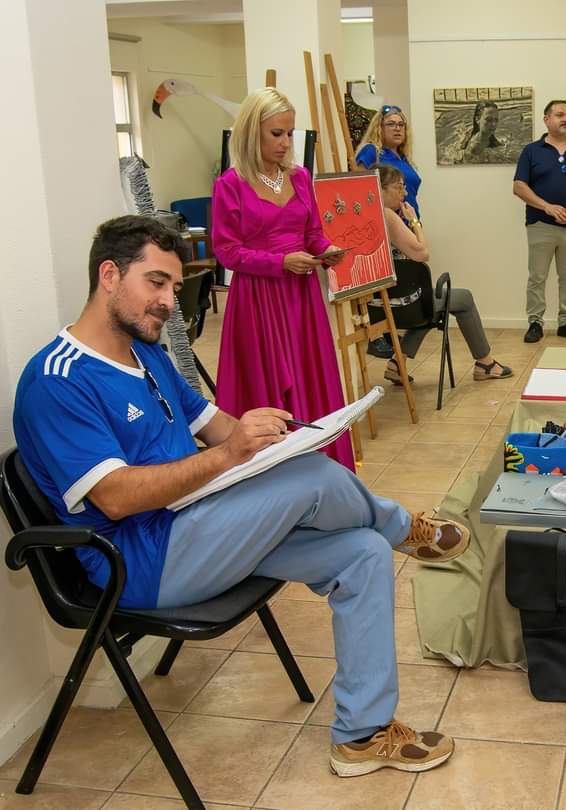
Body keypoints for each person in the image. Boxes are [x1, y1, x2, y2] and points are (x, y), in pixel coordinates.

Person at [13, 215, 475, 778]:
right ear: (109, 275)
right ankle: (404, 528)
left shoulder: (145, 353)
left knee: (363, 552)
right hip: (141, 562)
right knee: (315, 479)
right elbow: (115, 498)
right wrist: (230, 456)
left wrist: (275, 441)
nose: (169, 302)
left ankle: (361, 735)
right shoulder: (58, 379)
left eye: (174, 287)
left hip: (199, 526)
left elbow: (215, 427)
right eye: (156, 283)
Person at [211, 88, 353, 469]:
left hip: (302, 299)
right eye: (276, 133)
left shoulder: (300, 178)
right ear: (251, 132)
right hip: (258, 300)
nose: (286, 142)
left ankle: (320, 465)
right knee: (268, 386)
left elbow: (312, 233)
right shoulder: (230, 185)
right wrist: (280, 262)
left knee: (310, 375)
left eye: (289, 133)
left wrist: (326, 250)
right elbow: (227, 251)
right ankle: (272, 472)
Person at [375, 164, 513, 384]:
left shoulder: (365, 216)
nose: (405, 193)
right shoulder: (387, 216)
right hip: (399, 305)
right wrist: (414, 220)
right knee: (462, 298)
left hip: (375, 306)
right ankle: (485, 364)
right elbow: (422, 253)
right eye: (399, 187)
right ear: (380, 188)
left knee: (429, 303)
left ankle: (397, 363)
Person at [513, 99, 566, 343]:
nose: (565, 119)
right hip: (540, 225)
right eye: (559, 115)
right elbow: (519, 186)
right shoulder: (532, 151)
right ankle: (535, 322)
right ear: (546, 119)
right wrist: (548, 207)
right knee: (537, 277)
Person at [356, 104, 424, 360]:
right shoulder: (372, 151)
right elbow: (359, 188)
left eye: (401, 124)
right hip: (387, 225)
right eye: (391, 124)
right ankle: (377, 335)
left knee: (410, 284)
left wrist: (413, 221)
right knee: (387, 286)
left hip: (409, 223)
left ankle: (396, 354)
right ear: (379, 127)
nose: (397, 129)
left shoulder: (403, 157)